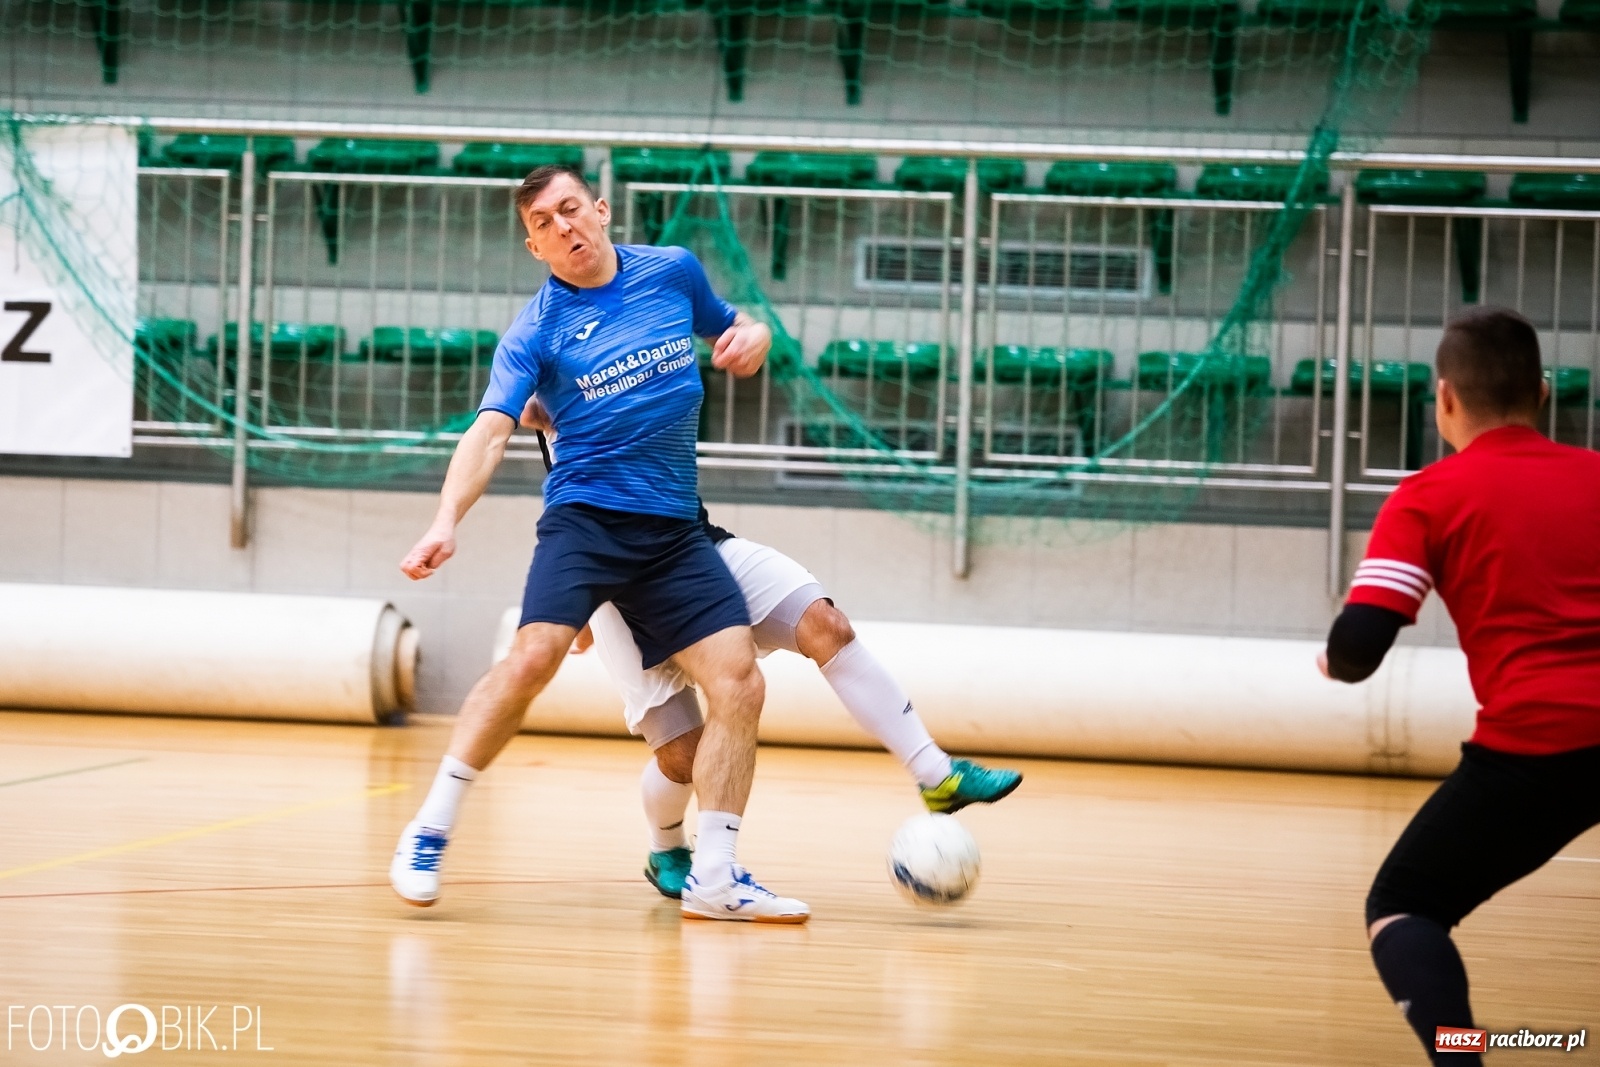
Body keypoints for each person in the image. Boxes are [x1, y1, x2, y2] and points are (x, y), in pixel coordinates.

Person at [389, 163, 810, 924]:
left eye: (570, 209)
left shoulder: (669, 272)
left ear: (601, 209)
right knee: (533, 657)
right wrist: (445, 519)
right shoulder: (534, 331)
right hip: (587, 520)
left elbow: (737, 326)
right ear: (534, 247)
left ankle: (715, 878)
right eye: (543, 224)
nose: (564, 227)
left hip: (674, 528)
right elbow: (489, 432)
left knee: (740, 683)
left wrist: (755, 336)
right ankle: (430, 828)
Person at [1319, 306, 1600, 1065]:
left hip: (1539, 749)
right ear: (1542, 393)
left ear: (1443, 398)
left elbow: (1359, 646)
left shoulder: (1428, 496)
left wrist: (1334, 663)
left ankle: (1462, 1055)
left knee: (1406, 905)